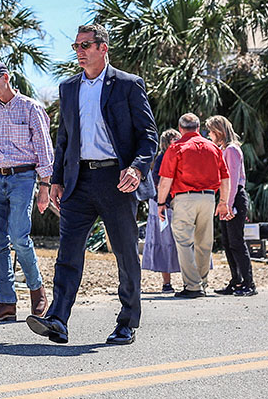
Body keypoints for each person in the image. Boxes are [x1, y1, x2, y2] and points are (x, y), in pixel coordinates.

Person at [26, 24, 158, 346]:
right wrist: (56, 179)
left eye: (85, 45)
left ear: (103, 48)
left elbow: (148, 136)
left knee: (126, 254)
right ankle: (57, 319)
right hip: (78, 181)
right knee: (68, 253)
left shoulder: (128, 85)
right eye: (76, 46)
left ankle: (127, 322)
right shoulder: (69, 88)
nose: (79, 52)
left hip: (117, 180)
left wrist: (137, 170)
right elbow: (64, 138)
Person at [0, 60, 53, 323]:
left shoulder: (31, 107)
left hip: (23, 178)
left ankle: (37, 290)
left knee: (19, 237)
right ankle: (7, 301)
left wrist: (45, 187)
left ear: (6, 78)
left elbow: (44, 148)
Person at [157, 113, 233, 298]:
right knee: (204, 243)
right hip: (208, 198)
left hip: (184, 199)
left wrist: (161, 203)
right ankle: (202, 283)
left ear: (180, 128)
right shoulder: (213, 148)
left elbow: (165, 181)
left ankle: (192, 286)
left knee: (184, 242)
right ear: (198, 128)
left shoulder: (176, 148)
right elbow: (225, 178)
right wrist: (223, 202)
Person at [206, 115, 256, 297]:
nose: (209, 134)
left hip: (234, 198)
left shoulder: (232, 150)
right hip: (227, 198)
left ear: (219, 131)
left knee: (236, 242)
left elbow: (233, 180)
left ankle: (249, 283)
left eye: (211, 131)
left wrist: (228, 205)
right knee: (228, 242)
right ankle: (236, 280)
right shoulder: (224, 150)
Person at [142, 129, 182, 292]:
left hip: (173, 201)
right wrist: (162, 202)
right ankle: (167, 283)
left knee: (178, 241)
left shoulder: (181, 156)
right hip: (161, 202)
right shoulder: (161, 158)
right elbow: (157, 181)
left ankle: (188, 280)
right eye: (172, 139)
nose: (175, 142)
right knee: (164, 240)